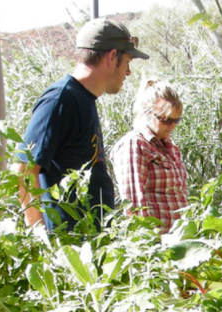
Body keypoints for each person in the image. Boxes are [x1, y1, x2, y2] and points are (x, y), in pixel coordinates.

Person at [14, 18, 148, 232]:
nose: (128, 73)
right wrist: (42, 244)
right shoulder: (60, 100)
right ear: (113, 56)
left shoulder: (84, 99)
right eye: (127, 63)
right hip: (69, 250)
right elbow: (23, 172)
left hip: (93, 245)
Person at [111, 80, 188, 234]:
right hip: (156, 246)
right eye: (166, 119)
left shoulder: (170, 147)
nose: (172, 126)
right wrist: (151, 245)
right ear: (146, 112)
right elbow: (134, 204)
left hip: (179, 241)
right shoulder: (134, 144)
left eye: (176, 120)